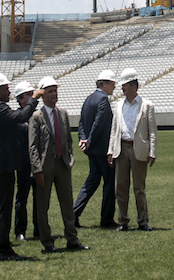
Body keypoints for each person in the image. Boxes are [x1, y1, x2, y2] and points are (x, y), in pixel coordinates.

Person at [0, 72, 41, 261]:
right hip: (2, 166)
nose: (9, 92)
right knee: (2, 209)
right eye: (6, 89)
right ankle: (3, 249)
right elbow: (21, 115)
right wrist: (34, 99)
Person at [28, 76, 89, 253]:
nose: (54, 94)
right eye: (50, 92)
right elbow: (32, 146)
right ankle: (47, 241)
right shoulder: (37, 117)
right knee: (43, 205)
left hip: (62, 164)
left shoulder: (62, 113)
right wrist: (37, 169)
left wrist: (69, 158)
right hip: (44, 167)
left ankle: (72, 238)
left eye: (55, 91)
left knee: (67, 203)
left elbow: (68, 139)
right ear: (43, 95)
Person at [107, 67, 157, 231]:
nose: (122, 88)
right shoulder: (118, 105)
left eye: (125, 85)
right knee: (120, 187)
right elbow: (114, 130)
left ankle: (143, 221)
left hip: (138, 149)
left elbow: (152, 131)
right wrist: (110, 150)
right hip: (121, 148)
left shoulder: (146, 105)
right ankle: (123, 220)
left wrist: (152, 152)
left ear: (134, 86)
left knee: (139, 188)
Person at [73, 69, 117, 228]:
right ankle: (106, 219)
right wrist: (89, 140)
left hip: (91, 150)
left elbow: (81, 123)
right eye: (112, 84)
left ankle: (73, 214)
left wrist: (83, 139)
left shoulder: (88, 99)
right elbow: (98, 123)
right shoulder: (103, 100)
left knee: (92, 181)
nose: (114, 87)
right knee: (109, 182)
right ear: (104, 84)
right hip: (102, 150)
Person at [12, 80, 38, 242]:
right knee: (22, 197)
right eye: (29, 94)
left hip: (37, 162)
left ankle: (39, 227)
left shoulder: (37, 115)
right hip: (23, 163)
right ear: (20, 98)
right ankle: (20, 230)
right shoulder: (17, 117)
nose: (32, 97)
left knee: (39, 197)